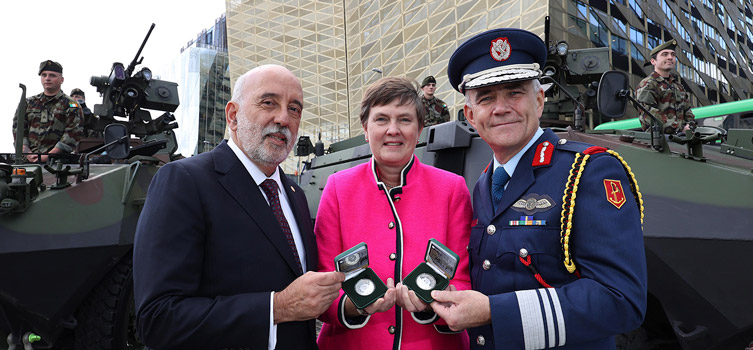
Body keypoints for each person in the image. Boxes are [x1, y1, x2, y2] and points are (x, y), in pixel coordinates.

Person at [429, 28, 647, 349]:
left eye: (515, 93)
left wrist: (494, 311)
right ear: (471, 115)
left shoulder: (588, 171)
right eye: (487, 98)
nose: (501, 108)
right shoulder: (482, 184)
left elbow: (621, 300)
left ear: (540, 100)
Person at [133, 64, 344, 349]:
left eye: (294, 109)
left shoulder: (294, 193)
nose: (283, 118)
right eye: (268, 102)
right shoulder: (184, 181)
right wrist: (276, 308)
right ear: (233, 115)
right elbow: (158, 319)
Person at [315, 76, 472, 349]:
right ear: (365, 129)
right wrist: (355, 306)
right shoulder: (338, 188)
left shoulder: (452, 189)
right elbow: (322, 283)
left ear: (420, 129)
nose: (393, 130)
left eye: (404, 119)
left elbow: (463, 282)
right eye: (381, 119)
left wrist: (433, 303)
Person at [12, 60, 82, 162]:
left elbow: (72, 134)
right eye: (44, 75)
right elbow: (18, 129)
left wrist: (48, 156)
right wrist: (27, 153)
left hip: (58, 164)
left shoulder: (71, 105)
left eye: (52, 75)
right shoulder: (28, 103)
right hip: (27, 161)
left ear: (61, 80)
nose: (47, 79)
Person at [636, 39, 695, 133]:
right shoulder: (648, 84)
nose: (670, 57)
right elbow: (648, 114)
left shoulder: (678, 86)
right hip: (659, 142)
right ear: (653, 61)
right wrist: (679, 129)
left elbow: (688, 112)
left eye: (673, 54)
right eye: (665, 54)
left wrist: (690, 126)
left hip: (682, 140)